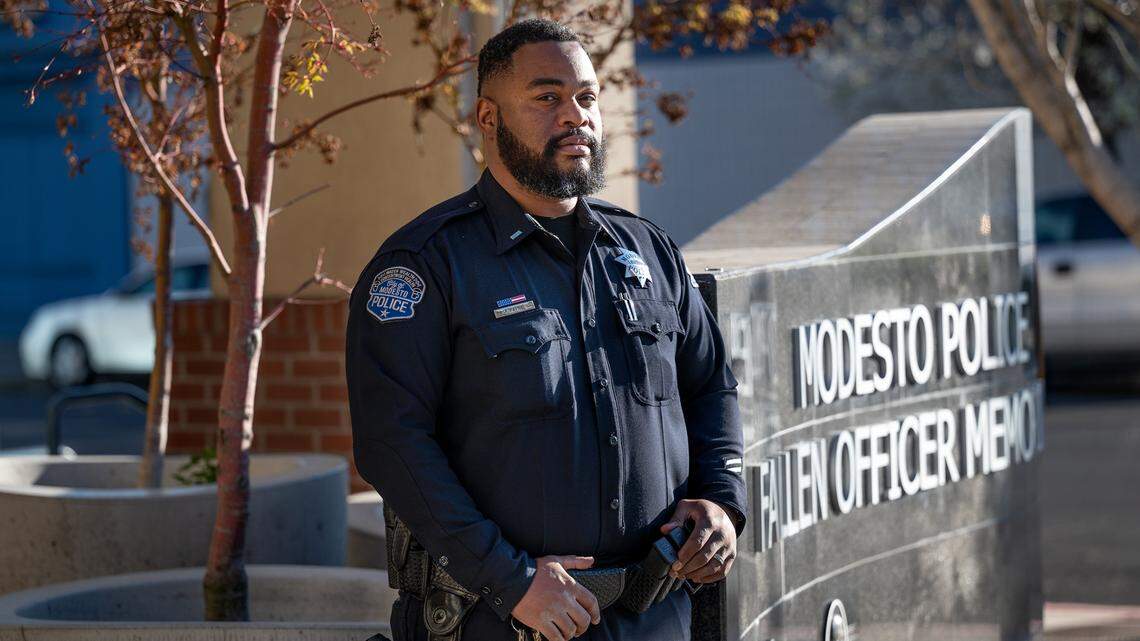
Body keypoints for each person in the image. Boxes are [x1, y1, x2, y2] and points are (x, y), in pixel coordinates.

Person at [346, 18, 746, 641]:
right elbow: (391, 444)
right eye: (547, 97)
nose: (576, 115)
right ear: (487, 118)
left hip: (654, 613)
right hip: (501, 618)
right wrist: (510, 580)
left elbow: (710, 387)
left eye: (586, 97)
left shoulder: (648, 250)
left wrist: (722, 500)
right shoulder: (426, 265)